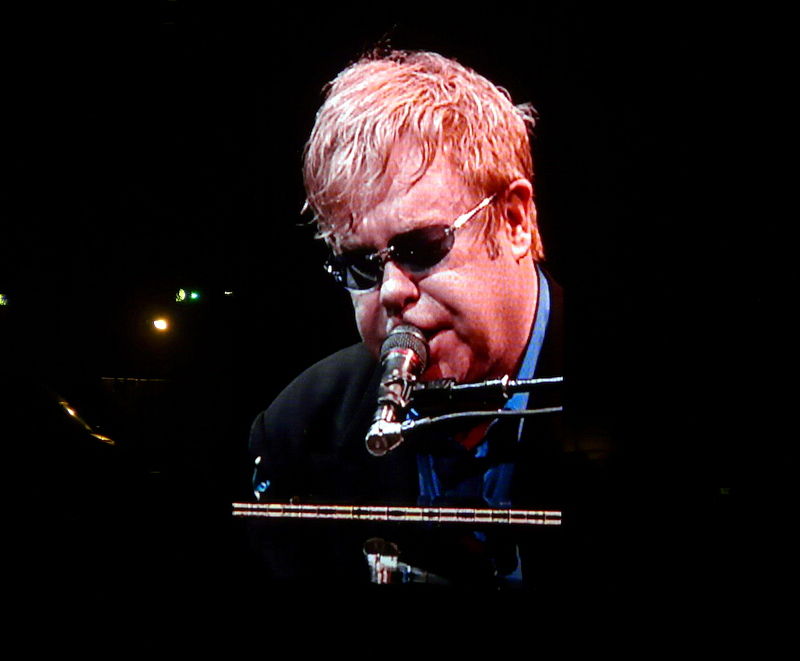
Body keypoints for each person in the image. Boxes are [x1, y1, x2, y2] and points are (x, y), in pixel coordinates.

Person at [248, 49, 596, 594]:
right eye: (361, 265)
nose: (391, 291)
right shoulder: (296, 428)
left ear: (514, 220)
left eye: (423, 247)